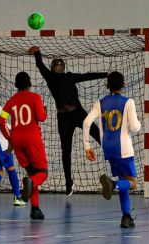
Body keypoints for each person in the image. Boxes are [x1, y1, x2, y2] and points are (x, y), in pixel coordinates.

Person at [28, 46, 108, 195]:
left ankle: (114, 156)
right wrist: (37, 52)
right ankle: (68, 182)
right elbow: (40, 65)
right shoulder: (52, 77)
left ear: (62, 68)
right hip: (64, 118)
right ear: (54, 68)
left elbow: (87, 76)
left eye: (59, 65)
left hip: (78, 113)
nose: (58, 67)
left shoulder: (66, 76)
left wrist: (106, 74)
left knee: (98, 135)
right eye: (56, 65)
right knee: (66, 151)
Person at [83, 71, 141, 228]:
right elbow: (135, 128)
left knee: (124, 180)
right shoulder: (128, 102)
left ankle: (126, 217)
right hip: (124, 148)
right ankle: (112, 185)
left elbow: (87, 122)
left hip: (108, 148)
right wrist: (138, 123)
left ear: (107, 85)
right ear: (123, 84)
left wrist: (87, 146)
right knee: (132, 183)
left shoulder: (100, 103)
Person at [0, 72, 48, 219]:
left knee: (32, 173)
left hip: (17, 140)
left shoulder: (11, 101)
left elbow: (1, 121)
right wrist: (44, 110)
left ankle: (35, 209)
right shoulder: (35, 97)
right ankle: (31, 183)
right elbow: (41, 117)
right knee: (42, 173)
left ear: (15, 85)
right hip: (32, 139)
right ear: (30, 84)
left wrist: (9, 137)